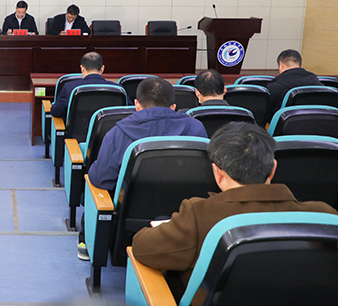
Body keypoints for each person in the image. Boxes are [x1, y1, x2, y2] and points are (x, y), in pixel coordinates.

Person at [131, 122, 337, 301]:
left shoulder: (199, 214)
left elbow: (142, 247)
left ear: (217, 172)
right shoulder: (326, 216)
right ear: (273, 168)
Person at [78, 77, 207, 261]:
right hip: (183, 221)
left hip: (130, 225)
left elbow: (101, 180)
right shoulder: (197, 129)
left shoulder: (117, 133)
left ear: (137, 104)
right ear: (173, 107)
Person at [50, 52, 118, 118]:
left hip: (78, 126)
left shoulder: (69, 87)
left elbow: (56, 112)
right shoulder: (117, 88)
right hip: (110, 126)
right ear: (102, 68)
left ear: (82, 68)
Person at [266, 49, 322, 121]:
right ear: (301, 65)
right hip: (318, 125)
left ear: (281, 65)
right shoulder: (319, 86)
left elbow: (266, 115)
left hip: (287, 127)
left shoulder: (274, 88)